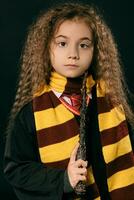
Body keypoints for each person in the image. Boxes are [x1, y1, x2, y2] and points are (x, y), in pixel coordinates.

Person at [3, 2, 134, 200]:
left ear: (95, 51)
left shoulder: (112, 102)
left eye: (83, 45)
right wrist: (65, 179)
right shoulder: (31, 112)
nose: (73, 54)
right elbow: (17, 171)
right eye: (62, 43)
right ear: (46, 48)